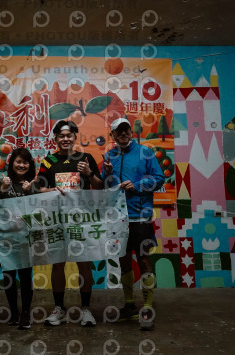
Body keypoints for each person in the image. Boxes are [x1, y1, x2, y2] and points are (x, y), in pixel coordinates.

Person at [36, 120, 103, 327]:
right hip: (56, 220)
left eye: (69, 135)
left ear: (75, 137)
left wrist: (89, 174)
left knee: (84, 263)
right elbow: (38, 188)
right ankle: (59, 308)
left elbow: (100, 188)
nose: (65, 139)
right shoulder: (48, 161)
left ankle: (86, 309)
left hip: (81, 220)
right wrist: (49, 190)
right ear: (55, 139)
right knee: (58, 263)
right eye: (61, 136)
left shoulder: (86, 158)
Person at [102, 118, 165, 331]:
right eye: (118, 131)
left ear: (131, 132)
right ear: (112, 135)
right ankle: (129, 305)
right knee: (124, 260)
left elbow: (159, 178)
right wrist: (107, 173)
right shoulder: (109, 156)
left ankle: (147, 307)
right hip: (118, 218)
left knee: (144, 261)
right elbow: (104, 187)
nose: (123, 133)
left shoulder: (145, 152)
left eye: (126, 130)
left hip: (140, 217)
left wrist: (137, 185)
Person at [0, 147, 38, 330]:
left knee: (26, 276)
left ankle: (25, 314)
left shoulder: (32, 185)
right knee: (9, 276)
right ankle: (13, 313)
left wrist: (30, 193)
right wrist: (2, 189)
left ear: (30, 165)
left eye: (25, 162)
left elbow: (38, 213)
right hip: (6, 238)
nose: (22, 165)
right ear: (12, 164)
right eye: (18, 161)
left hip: (26, 239)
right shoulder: (1, 182)